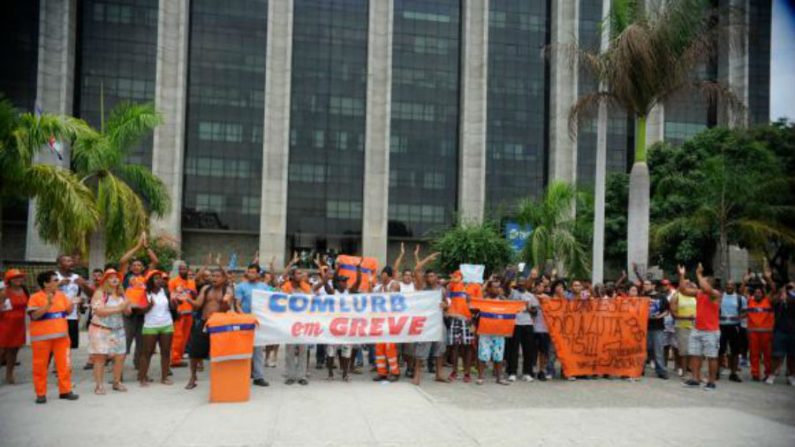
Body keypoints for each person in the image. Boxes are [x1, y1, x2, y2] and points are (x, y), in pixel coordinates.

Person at [27, 271, 79, 403]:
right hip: (41, 338)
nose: (58, 282)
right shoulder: (35, 297)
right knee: (40, 366)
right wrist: (48, 304)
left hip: (62, 337)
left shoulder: (61, 296)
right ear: (45, 283)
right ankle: (40, 393)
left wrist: (74, 303)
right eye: (55, 280)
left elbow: (67, 311)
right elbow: (34, 316)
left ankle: (65, 391)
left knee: (65, 365)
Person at [184, 269, 237, 390]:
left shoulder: (228, 290)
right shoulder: (205, 288)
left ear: (224, 278)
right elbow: (197, 305)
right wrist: (187, 299)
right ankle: (193, 377)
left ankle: (222, 378)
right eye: (213, 275)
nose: (214, 278)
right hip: (204, 323)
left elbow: (226, 308)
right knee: (194, 352)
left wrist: (225, 301)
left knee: (221, 352)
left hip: (220, 325)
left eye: (217, 276)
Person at [119, 232, 159, 371]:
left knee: (142, 343)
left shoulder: (146, 277)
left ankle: (139, 368)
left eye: (139, 265)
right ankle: (118, 372)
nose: (136, 267)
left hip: (143, 313)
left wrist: (146, 247)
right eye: (134, 265)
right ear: (131, 268)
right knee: (125, 342)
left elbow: (155, 261)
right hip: (128, 313)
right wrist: (137, 246)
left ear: (143, 268)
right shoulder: (125, 276)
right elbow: (123, 260)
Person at [87, 269, 131, 394]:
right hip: (101, 330)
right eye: (111, 277)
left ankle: (117, 382)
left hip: (118, 330)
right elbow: (99, 311)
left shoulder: (122, 294)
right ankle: (99, 385)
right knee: (100, 358)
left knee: (120, 356)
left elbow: (127, 312)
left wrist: (127, 307)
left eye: (116, 277)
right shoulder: (100, 293)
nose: (115, 279)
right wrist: (119, 308)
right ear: (105, 280)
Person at [679, 264, 722, 391]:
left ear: (710, 284)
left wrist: (698, 274)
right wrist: (682, 275)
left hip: (711, 331)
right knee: (695, 355)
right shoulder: (699, 293)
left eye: (704, 281)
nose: (701, 283)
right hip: (697, 329)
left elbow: (706, 288)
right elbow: (683, 290)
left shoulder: (715, 294)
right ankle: (695, 379)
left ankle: (711, 382)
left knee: (712, 356)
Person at [410, 248, 447, 386]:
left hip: (439, 322)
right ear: (426, 278)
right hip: (425, 323)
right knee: (421, 350)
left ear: (436, 277)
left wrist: (445, 305)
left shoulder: (442, 289)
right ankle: (417, 375)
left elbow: (447, 304)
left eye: (433, 276)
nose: (431, 278)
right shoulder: (422, 287)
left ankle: (439, 374)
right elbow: (416, 269)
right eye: (428, 276)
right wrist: (428, 258)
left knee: (440, 349)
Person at [235, 263, 272, 387]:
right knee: (243, 350)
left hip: (259, 323)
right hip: (245, 322)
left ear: (258, 273)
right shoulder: (241, 287)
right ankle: (242, 375)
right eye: (249, 271)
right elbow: (237, 304)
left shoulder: (265, 287)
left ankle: (258, 377)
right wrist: (246, 317)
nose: (250, 274)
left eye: (253, 272)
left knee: (258, 351)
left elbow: (269, 304)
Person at [138, 271, 175, 387]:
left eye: (161, 278)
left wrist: (175, 302)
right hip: (150, 326)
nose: (160, 280)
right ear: (150, 281)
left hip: (167, 324)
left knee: (165, 352)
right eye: (156, 278)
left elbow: (172, 307)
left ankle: (164, 378)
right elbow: (140, 311)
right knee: (146, 353)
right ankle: (143, 378)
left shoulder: (167, 292)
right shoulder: (145, 293)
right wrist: (149, 305)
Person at [55, 255, 94, 353]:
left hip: (72, 316)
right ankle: (48, 367)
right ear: (60, 264)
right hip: (56, 316)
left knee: (69, 345)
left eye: (71, 261)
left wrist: (84, 285)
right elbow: (41, 291)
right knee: (54, 345)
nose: (71, 263)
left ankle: (62, 367)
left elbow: (91, 295)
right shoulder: (54, 276)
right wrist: (58, 284)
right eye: (67, 261)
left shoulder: (77, 277)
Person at [475, 279, 511, 385]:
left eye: (499, 287)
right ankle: (480, 377)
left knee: (499, 354)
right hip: (485, 331)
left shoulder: (503, 300)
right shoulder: (483, 300)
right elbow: (475, 311)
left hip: (499, 331)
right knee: (483, 354)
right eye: (495, 287)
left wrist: (505, 299)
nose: (497, 289)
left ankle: (499, 378)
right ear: (489, 288)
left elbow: (511, 310)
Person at [505, 269, 539, 383]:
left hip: (528, 324)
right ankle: (512, 372)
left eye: (523, 282)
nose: (521, 284)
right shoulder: (513, 293)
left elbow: (535, 312)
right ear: (517, 284)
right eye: (519, 282)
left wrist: (529, 309)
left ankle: (527, 373)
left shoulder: (531, 296)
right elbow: (505, 286)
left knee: (528, 349)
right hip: (515, 324)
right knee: (513, 349)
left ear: (526, 284)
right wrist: (509, 275)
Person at [447, 270, 478, 383]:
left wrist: (472, 309)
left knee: (469, 346)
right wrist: (453, 279)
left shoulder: (476, 286)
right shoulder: (455, 284)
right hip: (455, 318)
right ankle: (454, 371)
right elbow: (447, 292)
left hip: (470, 321)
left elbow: (478, 304)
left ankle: (467, 373)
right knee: (455, 345)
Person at [746, 267, 776, 383]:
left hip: (766, 334)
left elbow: (773, 289)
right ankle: (755, 374)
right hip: (753, 334)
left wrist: (768, 278)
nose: (758, 294)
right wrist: (745, 281)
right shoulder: (750, 301)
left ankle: (768, 373)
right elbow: (742, 291)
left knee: (767, 355)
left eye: (760, 292)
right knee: (754, 355)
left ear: (763, 294)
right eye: (756, 292)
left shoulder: (767, 300)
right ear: (754, 294)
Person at [0, 269, 29, 384]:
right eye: (15, 278)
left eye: (20, 277)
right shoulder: (4, 292)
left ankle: (9, 374)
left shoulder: (24, 290)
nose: (18, 279)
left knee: (14, 350)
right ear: (9, 280)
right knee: (2, 350)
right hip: (5, 324)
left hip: (19, 325)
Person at [169, 261, 197, 368]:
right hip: (179, 313)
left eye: (184, 269)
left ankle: (179, 358)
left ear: (188, 270)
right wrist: (176, 310)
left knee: (185, 337)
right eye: (180, 269)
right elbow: (172, 296)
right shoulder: (173, 281)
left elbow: (194, 296)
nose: (182, 271)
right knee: (177, 336)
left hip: (189, 313)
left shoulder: (191, 282)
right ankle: (174, 359)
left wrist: (193, 293)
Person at [670, 277, 698, 379]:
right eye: (686, 284)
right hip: (682, 326)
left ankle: (692, 370)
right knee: (684, 351)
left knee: (694, 350)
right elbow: (673, 313)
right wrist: (686, 317)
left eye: (689, 283)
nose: (688, 285)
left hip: (695, 326)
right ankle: (684, 372)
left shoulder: (693, 295)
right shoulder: (676, 296)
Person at [718, 280, 745, 382]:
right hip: (721, 326)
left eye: (731, 285)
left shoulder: (740, 298)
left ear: (734, 287)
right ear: (725, 286)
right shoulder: (720, 297)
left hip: (735, 327)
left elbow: (745, 311)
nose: (729, 286)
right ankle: (717, 371)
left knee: (735, 351)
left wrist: (738, 317)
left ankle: (733, 373)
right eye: (727, 285)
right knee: (720, 350)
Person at [771, 283, 795, 385]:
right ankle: (772, 374)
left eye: (792, 287)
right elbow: (772, 301)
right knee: (776, 354)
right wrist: (782, 291)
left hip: (793, 331)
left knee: (792, 356)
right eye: (788, 287)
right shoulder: (779, 299)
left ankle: (791, 376)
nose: (789, 289)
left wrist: (791, 293)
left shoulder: (793, 298)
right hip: (780, 330)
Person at [646, 281, 671, 379]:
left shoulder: (661, 297)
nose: (645, 286)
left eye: (648, 284)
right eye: (644, 284)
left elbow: (667, 311)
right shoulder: (641, 296)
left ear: (653, 286)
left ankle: (661, 370)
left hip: (658, 327)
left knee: (658, 350)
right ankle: (641, 369)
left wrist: (659, 316)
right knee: (645, 350)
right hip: (644, 327)